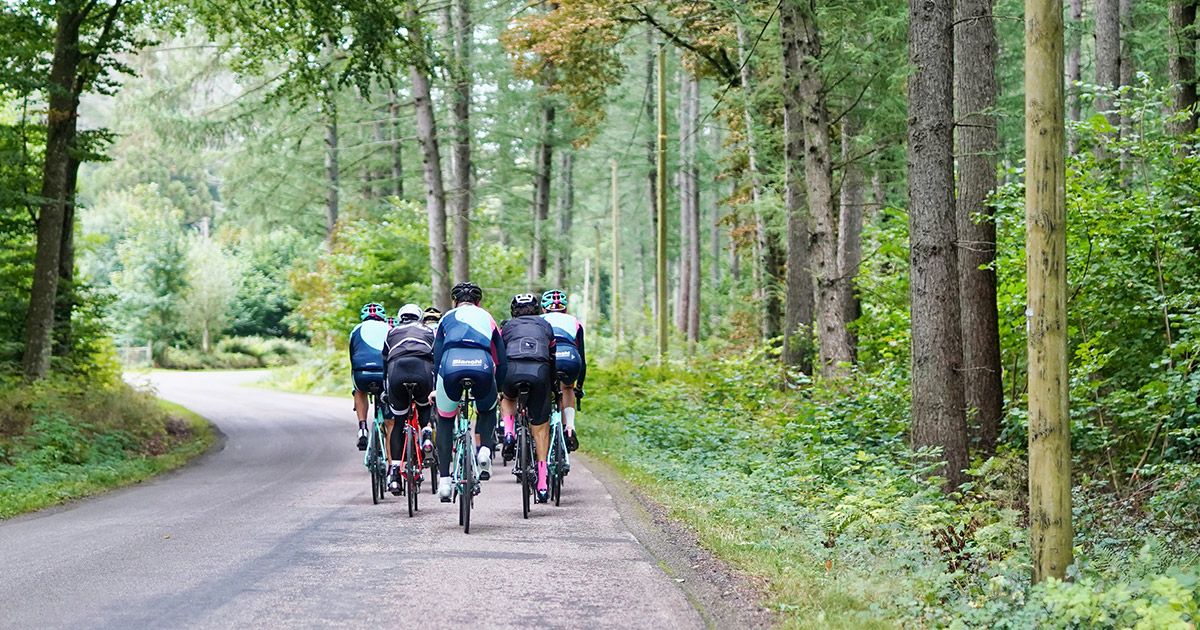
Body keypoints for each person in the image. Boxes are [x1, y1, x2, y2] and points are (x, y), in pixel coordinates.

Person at [431, 282, 506, 502]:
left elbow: (436, 356)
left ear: (455, 302)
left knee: (445, 421)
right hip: (481, 366)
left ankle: (444, 482)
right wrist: (498, 389)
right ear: (478, 302)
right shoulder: (487, 318)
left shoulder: (446, 318)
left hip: (451, 366)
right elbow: (501, 360)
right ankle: (484, 451)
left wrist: (437, 385)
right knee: (487, 408)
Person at [498, 293, 557, 502]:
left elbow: (498, 355)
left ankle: (508, 432)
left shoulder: (506, 327)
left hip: (512, 370)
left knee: (507, 397)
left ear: (513, 312)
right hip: (539, 371)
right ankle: (542, 483)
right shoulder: (545, 325)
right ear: (538, 309)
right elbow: (552, 357)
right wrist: (552, 386)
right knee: (540, 428)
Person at [382, 303, 435, 493]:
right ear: (419, 317)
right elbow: (436, 359)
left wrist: (385, 390)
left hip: (397, 371)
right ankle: (427, 434)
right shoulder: (428, 331)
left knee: (398, 422)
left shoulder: (392, 332)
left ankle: (395, 474)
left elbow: (384, 363)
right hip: (422, 370)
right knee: (424, 407)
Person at [541, 290, 585, 451]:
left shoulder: (539, 320)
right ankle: (570, 427)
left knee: (542, 389)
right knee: (567, 387)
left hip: (547, 358)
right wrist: (579, 386)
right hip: (570, 357)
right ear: (564, 309)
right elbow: (583, 357)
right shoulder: (574, 322)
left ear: (544, 309)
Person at [349, 302, 390, 450]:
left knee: (359, 390)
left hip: (362, 374)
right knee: (390, 416)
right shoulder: (390, 329)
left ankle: (362, 427)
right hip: (384, 374)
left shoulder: (356, 330)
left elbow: (352, 356)